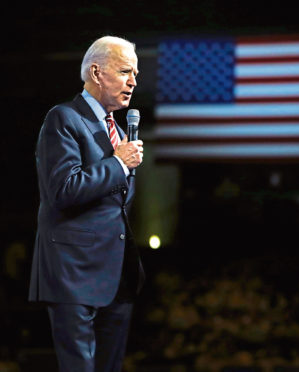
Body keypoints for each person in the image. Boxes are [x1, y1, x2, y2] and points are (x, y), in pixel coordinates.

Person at [28, 35, 145, 372]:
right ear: (96, 73)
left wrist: (121, 161)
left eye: (135, 74)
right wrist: (120, 164)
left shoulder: (120, 132)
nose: (134, 82)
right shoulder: (63, 118)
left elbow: (118, 204)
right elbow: (64, 189)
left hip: (116, 276)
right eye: (125, 72)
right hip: (73, 272)